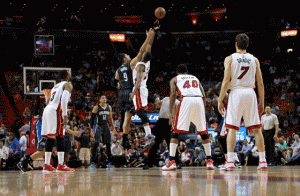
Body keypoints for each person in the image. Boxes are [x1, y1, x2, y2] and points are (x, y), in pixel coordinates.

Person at [218, 33, 267, 171]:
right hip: (250, 93)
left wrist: (221, 99)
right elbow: (261, 83)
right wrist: (261, 103)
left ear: (236, 44)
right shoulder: (254, 59)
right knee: (256, 129)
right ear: (247, 45)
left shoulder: (230, 58)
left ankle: (230, 161)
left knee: (232, 128)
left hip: (236, 92)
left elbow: (226, 80)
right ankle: (263, 161)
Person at [115, 25, 159, 151]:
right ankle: (147, 134)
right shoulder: (133, 64)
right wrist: (149, 36)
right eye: (127, 55)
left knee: (126, 118)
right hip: (132, 90)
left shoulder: (118, 70)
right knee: (133, 115)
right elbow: (142, 51)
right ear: (125, 59)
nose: (129, 56)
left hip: (121, 93)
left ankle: (124, 140)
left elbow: (117, 79)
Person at [163, 64, 214, 171]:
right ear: (187, 72)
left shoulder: (175, 79)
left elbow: (173, 94)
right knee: (204, 132)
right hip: (199, 101)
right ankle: (209, 161)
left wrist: (171, 113)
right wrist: (202, 108)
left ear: (177, 72)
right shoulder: (195, 78)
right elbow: (204, 95)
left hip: (186, 100)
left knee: (174, 131)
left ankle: (171, 161)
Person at [41, 70, 76, 173]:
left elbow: (48, 101)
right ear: (68, 76)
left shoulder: (55, 87)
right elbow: (64, 100)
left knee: (51, 138)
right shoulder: (68, 85)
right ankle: (60, 165)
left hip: (47, 110)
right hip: (55, 110)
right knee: (60, 136)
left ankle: (47, 165)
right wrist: (65, 115)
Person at [145, 96, 180, 169]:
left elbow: (179, 114)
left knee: (171, 144)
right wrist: (157, 99)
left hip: (169, 123)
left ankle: (176, 162)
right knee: (155, 143)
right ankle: (149, 163)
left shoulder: (177, 102)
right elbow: (158, 104)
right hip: (160, 122)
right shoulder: (165, 99)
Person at [91, 95, 115, 166]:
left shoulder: (109, 107)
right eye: (102, 98)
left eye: (105, 98)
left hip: (106, 125)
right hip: (99, 125)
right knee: (96, 143)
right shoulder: (97, 107)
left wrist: (113, 126)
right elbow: (92, 119)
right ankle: (93, 161)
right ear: (99, 100)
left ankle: (109, 161)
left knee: (108, 143)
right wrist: (92, 129)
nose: (104, 99)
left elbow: (110, 118)